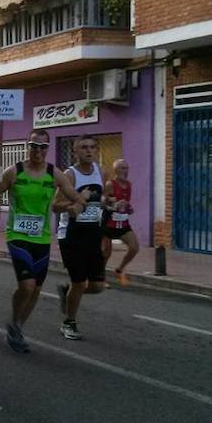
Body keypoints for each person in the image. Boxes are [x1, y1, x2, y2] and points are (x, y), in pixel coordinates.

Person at [0, 129, 91, 353]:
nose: (38, 151)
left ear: (48, 148)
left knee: (36, 289)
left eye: (43, 147)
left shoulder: (54, 174)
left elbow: (76, 198)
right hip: (17, 235)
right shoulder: (13, 171)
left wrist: (78, 206)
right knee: (26, 285)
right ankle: (15, 321)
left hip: (42, 237)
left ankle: (16, 327)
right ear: (28, 146)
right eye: (34, 146)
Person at [53, 135, 108, 340]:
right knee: (79, 282)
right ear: (75, 151)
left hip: (93, 232)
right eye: (83, 147)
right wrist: (75, 204)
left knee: (97, 286)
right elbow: (55, 205)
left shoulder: (102, 172)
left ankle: (67, 293)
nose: (89, 151)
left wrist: (111, 204)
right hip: (71, 234)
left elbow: (102, 200)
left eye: (93, 147)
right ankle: (69, 323)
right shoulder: (70, 175)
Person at [102, 159, 139, 287]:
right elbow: (103, 202)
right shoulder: (110, 184)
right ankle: (101, 277)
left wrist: (128, 208)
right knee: (106, 252)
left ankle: (119, 270)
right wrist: (113, 203)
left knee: (134, 248)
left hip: (122, 222)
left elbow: (125, 202)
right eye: (122, 168)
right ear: (116, 170)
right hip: (108, 222)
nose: (125, 171)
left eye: (126, 168)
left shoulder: (129, 185)